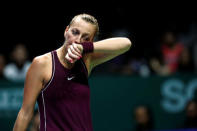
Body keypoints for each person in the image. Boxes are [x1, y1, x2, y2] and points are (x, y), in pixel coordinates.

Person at [13, 13, 132, 131]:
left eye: (86, 38)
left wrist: (85, 48)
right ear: (66, 31)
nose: (77, 40)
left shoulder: (87, 60)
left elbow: (126, 43)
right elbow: (25, 113)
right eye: (75, 32)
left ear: (91, 42)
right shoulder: (42, 64)